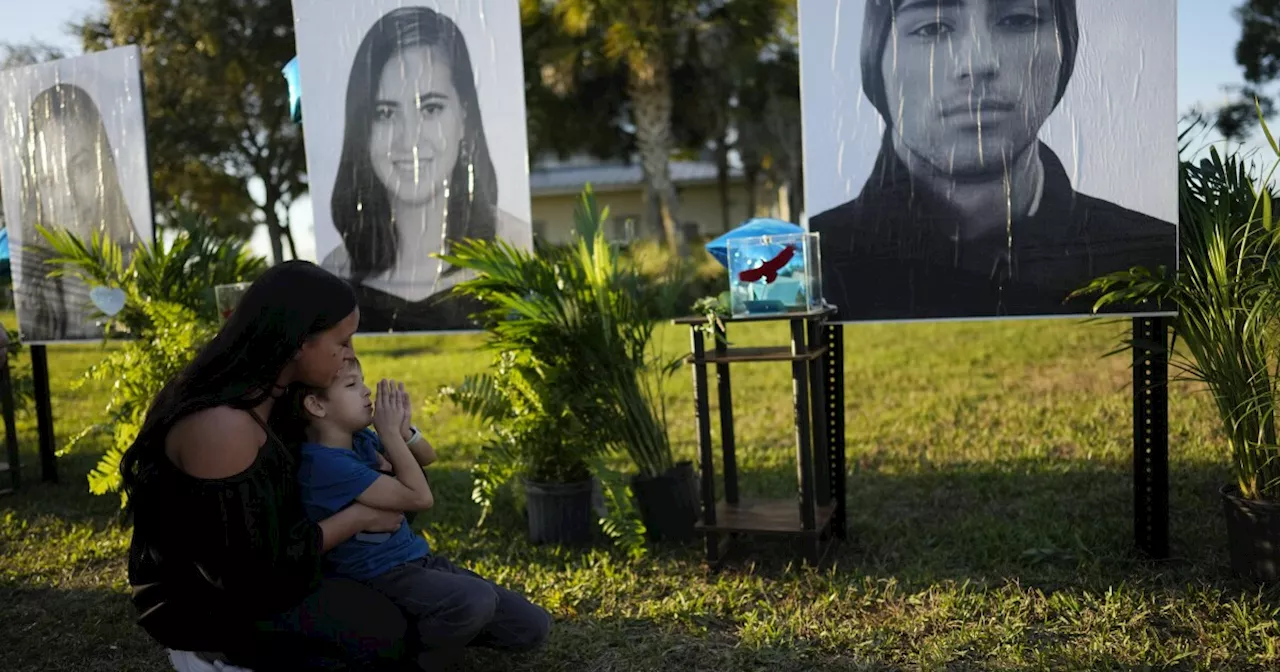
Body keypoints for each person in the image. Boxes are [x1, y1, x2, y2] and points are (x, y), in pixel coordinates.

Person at [124, 261, 415, 670]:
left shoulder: (276, 391)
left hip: (273, 566)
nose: (350, 355)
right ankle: (211, 659)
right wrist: (358, 517)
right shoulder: (221, 425)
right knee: (380, 636)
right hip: (205, 599)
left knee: (400, 615)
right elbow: (250, 575)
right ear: (299, 342)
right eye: (343, 342)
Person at [807, 0, 1176, 321]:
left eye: (1018, 20)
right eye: (932, 27)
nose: (979, 62)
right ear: (876, 56)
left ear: (1067, 46)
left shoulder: (1148, 258)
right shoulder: (821, 265)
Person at [281, 357, 551, 668]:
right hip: (380, 575)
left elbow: (428, 457)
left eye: (364, 382)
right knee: (475, 599)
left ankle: (446, 623)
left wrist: (402, 430)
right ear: (316, 405)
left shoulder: (360, 440)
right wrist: (391, 439)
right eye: (352, 385)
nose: (367, 392)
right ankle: (418, 658)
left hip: (416, 561)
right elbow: (420, 497)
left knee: (531, 626)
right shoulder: (324, 463)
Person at [321, 6, 528, 333]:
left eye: (431, 108)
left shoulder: (516, 248)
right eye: (385, 114)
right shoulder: (334, 273)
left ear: (464, 117)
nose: (409, 139)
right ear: (362, 130)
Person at [15, 82, 142, 340]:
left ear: (104, 169)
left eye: (82, 167)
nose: (68, 196)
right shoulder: (31, 299)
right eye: (49, 181)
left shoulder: (145, 278)